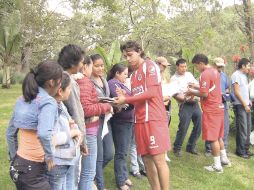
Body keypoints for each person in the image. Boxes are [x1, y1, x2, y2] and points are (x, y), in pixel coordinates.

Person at [115, 40, 170, 190]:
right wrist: (123, 97)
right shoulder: (132, 77)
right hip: (139, 121)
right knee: (146, 160)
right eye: (125, 56)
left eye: (130, 55)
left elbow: (151, 93)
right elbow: (135, 100)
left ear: (139, 51)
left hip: (154, 119)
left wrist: (126, 98)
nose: (128, 59)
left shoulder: (150, 66)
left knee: (158, 159)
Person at [6, 60, 63, 190]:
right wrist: (49, 156)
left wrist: (15, 157)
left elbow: (10, 133)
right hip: (33, 170)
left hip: (19, 165)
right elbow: (43, 133)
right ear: (52, 82)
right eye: (60, 81)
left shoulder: (22, 99)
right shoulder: (48, 102)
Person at [186, 54, 231, 173]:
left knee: (212, 138)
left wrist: (191, 91)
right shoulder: (215, 71)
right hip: (219, 107)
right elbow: (211, 87)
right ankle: (224, 159)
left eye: (196, 65)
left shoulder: (204, 74)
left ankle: (217, 166)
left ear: (200, 63)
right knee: (218, 136)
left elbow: (205, 94)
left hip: (211, 109)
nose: (196, 68)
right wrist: (197, 87)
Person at [77, 56, 112, 190]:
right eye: (94, 65)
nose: (98, 68)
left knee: (89, 168)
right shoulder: (85, 82)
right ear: (85, 66)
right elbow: (86, 109)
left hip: (96, 125)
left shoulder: (86, 80)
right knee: (88, 172)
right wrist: (107, 107)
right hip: (90, 128)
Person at [47, 72, 82, 190]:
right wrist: (73, 133)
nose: (70, 91)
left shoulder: (60, 104)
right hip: (57, 161)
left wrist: (75, 129)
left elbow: (70, 121)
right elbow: (52, 138)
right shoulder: (50, 109)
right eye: (69, 88)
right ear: (60, 91)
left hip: (66, 160)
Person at [107, 63, 134, 190]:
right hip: (121, 122)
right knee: (121, 152)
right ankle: (121, 180)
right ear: (117, 73)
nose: (126, 76)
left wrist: (129, 99)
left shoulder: (122, 84)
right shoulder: (113, 83)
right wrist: (129, 100)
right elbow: (124, 102)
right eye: (124, 74)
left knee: (125, 150)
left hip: (128, 121)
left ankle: (123, 175)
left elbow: (129, 100)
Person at [90, 54, 114, 190]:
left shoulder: (104, 80)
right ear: (90, 65)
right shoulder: (88, 81)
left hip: (106, 119)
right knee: (98, 156)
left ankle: (91, 176)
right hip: (95, 120)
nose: (100, 68)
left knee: (109, 153)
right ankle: (100, 185)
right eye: (96, 65)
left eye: (101, 65)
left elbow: (108, 96)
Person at [171, 58, 202, 157]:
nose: (184, 68)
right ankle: (177, 147)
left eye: (185, 66)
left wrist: (194, 91)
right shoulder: (174, 79)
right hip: (185, 105)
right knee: (183, 127)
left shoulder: (189, 75)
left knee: (199, 124)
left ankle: (191, 146)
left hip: (195, 103)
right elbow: (175, 94)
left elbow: (196, 84)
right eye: (182, 66)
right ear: (177, 67)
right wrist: (185, 99)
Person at [205, 58, 230, 156]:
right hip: (212, 105)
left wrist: (225, 93)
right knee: (211, 128)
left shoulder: (224, 76)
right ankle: (209, 149)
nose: (220, 68)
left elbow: (227, 88)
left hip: (223, 103)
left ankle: (223, 150)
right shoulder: (209, 74)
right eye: (219, 66)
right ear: (214, 64)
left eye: (222, 67)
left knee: (224, 128)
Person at [231, 58, 253, 159]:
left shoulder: (244, 76)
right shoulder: (236, 75)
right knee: (242, 129)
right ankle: (240, 151)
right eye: (248, 66)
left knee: (248, 128)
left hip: (246, 105)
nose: (249, 68)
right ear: (243, 66)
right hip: (240, 105)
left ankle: (246, 149)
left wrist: (248, 103)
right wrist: (244, 104)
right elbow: (236, 92)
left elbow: (244, 92)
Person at [155, 56, 172, 162]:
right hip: (158, 106)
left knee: (165, 129)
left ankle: (164, 152)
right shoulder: (153, 76)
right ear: (158, 64)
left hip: (166, 105)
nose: (165, 68)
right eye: (163, 65)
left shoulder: (165, 77)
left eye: (166, 66)